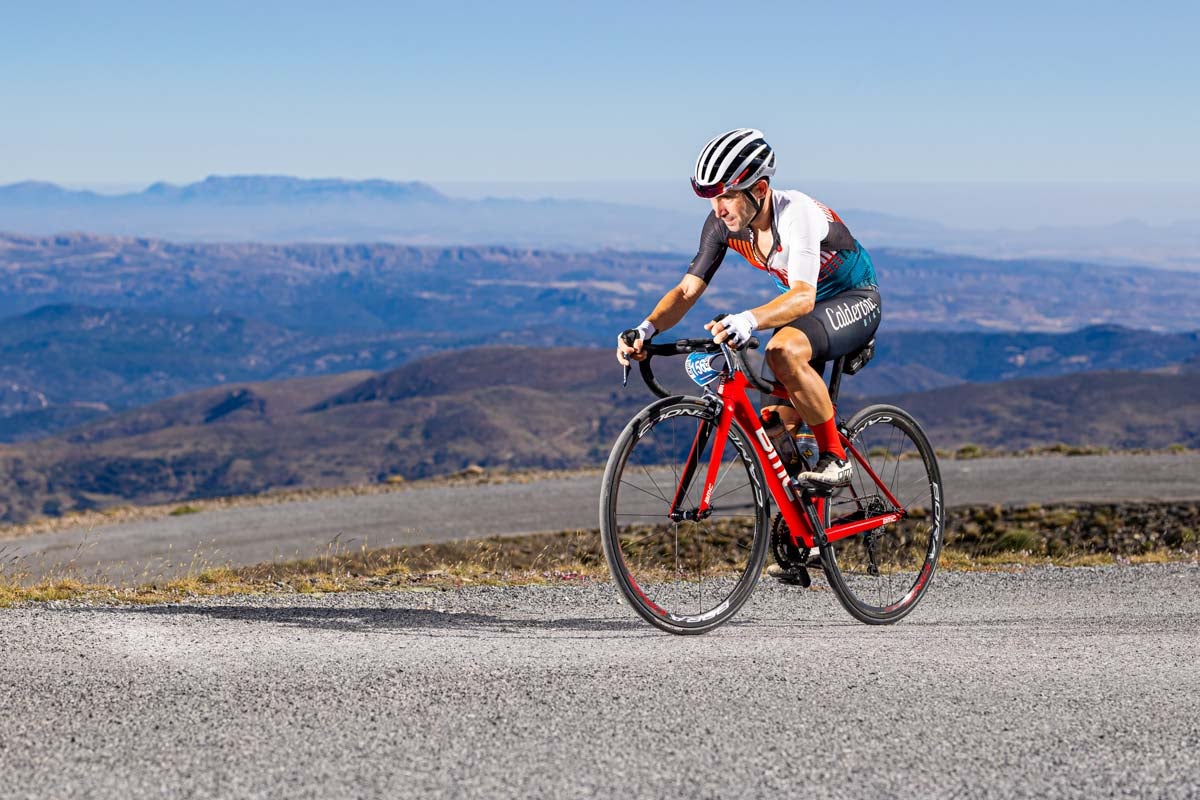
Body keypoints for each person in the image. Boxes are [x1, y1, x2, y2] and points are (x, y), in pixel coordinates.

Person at [616, 128, 881, 487]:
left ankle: (836, 457)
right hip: (806, 314)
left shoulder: (795, 213)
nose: (718, 209)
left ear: (759, 189)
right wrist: (645, 329)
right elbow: (687, 290)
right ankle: (809, 535)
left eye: (726, 196)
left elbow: (803, 296)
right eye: (711, 198)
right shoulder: (724, 224)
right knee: (773, 432)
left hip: (854, 298)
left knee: (781, 351)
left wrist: (748, 319)